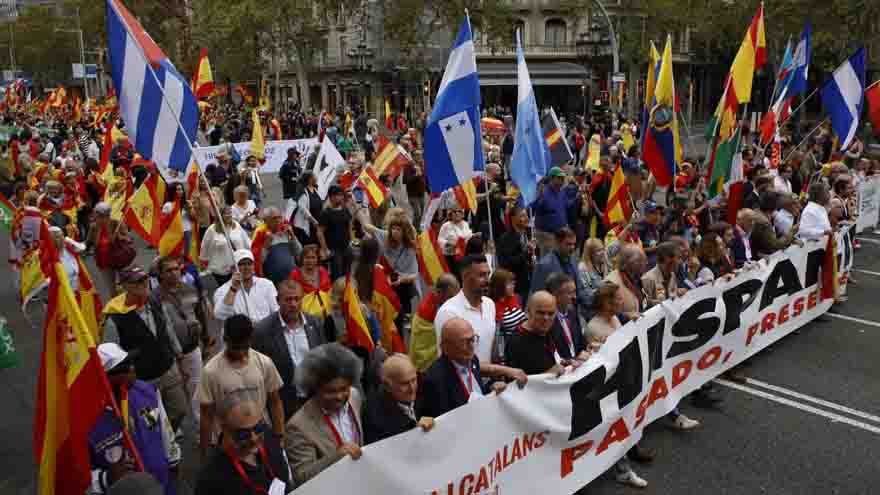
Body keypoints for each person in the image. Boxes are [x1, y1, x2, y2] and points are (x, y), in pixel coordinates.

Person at [102, 267, 189, 432]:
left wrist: (178, 353)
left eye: (144, 279)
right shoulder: (115, 317)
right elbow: (112, 355)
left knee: (180, 410)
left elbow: (167, 327)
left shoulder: (154, 300)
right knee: (150, 423)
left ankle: (169, 433)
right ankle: (160, 444)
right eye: (136, 281)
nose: (143, 284)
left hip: (168, 368)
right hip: (142, 379)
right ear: (124, 286)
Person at [89, 343, 181, 495]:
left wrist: (173, 459)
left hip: (161, 484)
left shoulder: (147, 392)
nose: (132, 368)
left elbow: (164, 429)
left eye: (130, 362)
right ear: (105, 377)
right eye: (124, 367)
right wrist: (106, 478)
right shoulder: (90, 418)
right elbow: (77, 477)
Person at [199, 314, 286, 458]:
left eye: (244, 347)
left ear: (251, 340)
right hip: (230, 445)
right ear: (225, 340)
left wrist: (280, 436)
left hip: (262, 437)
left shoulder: (264, 363)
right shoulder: (210, 372)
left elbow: (275, 401)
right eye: (236, 347)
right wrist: (205, 453)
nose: (240, 352)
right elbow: (206, 416)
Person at [434, 255, 527, 384]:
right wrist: (504, 370)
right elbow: (457, 362)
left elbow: (492, 348)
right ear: (466, 277)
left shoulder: (489, 304)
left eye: (488, 274)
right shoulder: (448, 312)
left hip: (488, 385)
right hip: (461, 388)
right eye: (481, 275)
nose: (487, 280)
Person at [285, 343, 365, 484]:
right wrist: (337, 457)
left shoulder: (354, 396)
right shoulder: (297, 426)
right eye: (330, 391)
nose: (340, 396)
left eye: (343, 388)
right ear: (314, 389)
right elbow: (302, 478)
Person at [195, 390, 293, 495]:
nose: (254, 438)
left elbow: (285, 480)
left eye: (258, 427)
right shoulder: (211, 478)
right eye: (243, 433)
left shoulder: (270, 440)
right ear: (223, 428)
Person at [151, 256, 211, 427]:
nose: (173, 273)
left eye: (176, 269)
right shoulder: (154, 298)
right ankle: (173, 428)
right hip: (169, 356)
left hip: (193, 349)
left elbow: (200, 315)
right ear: (160, 275)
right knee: (174, 394)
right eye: (168, 270)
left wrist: (206, 340)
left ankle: (201, 426)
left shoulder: (190, 290)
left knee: (197, 389)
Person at [252, 280, 326, 420]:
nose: (293, 304)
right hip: (284, 404)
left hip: (314, 398)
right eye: (288, 299)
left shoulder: (315, 323)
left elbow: (323, 359)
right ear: (278, 300)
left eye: (297, 299)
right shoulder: (263, 331)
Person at [417, 318, 509, 419]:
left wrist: (491, 388)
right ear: (446, 347)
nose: (471, 346)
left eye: (472, 339)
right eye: (464, 342)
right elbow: (442, 421)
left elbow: (475, 394)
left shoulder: (472, 360)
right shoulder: (435, 379)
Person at [363, 354, 435, 445]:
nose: (412, 388)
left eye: (414, 380)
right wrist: (413, 432)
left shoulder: (426, 388)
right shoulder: (373, 414)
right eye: (404, 384)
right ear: (387, 386)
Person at [531, 227, 590, 317]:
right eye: (568, 244)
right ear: (557, 243)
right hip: (552, 315)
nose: (572, 248)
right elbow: (538, 295)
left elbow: (579, 289)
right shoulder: (544, 265)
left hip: (573, 313)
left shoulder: (573, 260)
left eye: (574, 244)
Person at [506, 291, 568, 376]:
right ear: (528, 312)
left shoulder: (548, 330)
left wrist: (569, 362)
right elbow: (518, 383)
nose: (546, 318)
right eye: (541, 313)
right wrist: (548, 374)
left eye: (551, 313)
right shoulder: (517, 342)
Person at [409, 274, 460, 373]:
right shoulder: (431, 309)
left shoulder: (438, 300)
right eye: (450, 296)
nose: (454, 300)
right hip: (426, 361)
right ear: (439, 292)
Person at [214, 249, 279, 324]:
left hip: (265, 331)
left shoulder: (267, 285)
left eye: (249, 263)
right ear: (233, 269)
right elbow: (220, 315)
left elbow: (276, 311)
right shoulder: (222, 290)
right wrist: (233, 289)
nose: (246, 267)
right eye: (241, 264)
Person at [200, 206, 253, 287]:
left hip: (236, 269)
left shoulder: (237, 226)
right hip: (219, 272)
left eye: (230, 213)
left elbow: (247, 243)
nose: (229, 215)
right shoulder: (212, 229)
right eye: (226, 213)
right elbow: (204, 247)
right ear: (220, 215)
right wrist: (203, 263)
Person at [545, 273, 590, 362]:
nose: (574, 296)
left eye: (574, 292)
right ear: (555, 295)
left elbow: (581, 343)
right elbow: (551, 357)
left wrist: (588, 348)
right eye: (570, 293)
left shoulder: (572, 312)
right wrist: (572, 360)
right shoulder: (546, 321)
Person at [533, 167, 577, 255]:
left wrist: (577, 197)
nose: (562, 180)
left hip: (560, 234)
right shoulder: (543, 192)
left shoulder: (561, 192)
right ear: (552, 178)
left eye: (563, 178)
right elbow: (535, 207)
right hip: (546, 235)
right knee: (548, 261)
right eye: (559, 178)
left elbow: (567, 205)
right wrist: (539, 197)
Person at [496, 206, 535, 304]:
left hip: (527, 282)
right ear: (513, 218)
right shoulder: (505, 239)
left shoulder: (528, 234)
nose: (526, 218)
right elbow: (505, 263)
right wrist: (526, 252)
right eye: (522, 216)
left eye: (526, 215)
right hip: (515, 285)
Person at [489, 269, 527, 364]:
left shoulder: (516, 298)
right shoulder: (492, 307)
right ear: (500, 287)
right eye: (509, 284)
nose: (513, 286)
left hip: (525, 343)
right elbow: (497, 338)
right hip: (511, 351)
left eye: (513, 283)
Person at [317, 185, 353, 280]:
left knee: (348, 274)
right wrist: (325, 249)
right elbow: (320, 232)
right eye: (337, 195)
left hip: (346, 247)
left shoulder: (345, 210)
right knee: (338, 276)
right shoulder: (326, 213)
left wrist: (351, 241)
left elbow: (349, 225)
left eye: (341, 195)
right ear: (331, 197)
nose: (340, 197)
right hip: (334, 250)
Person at [288, 244, 332, 321]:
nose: (310, 261)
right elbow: (292, 296)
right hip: (305, 316)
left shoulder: (323, 271)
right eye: (307, 258)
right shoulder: (295, 274)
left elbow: (329, 292)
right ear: (302, 259)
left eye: (313, 257)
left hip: (326, 315)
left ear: (317, 259)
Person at [751, 192, 798, 258]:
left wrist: (792, 240)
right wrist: (791, 232)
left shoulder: (759, 214)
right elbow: (776, 244)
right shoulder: (764, 222)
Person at [604, 244, 647, 319]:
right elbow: (606, 312)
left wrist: (650, 302)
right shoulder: (611, 282)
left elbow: (640, 298)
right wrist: (626, 315)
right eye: (640, 261)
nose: (645, 263)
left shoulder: (636, 276)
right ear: (630, 263)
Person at [641, 241, 685, 308]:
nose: (680, 262)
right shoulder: (648, 279)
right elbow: (643, 305)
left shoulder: (672, 275)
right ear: (668, 259)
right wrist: (652, 303)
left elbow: (672, 297)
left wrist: (678, 293)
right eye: (678, 258)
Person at [437, 207, 473, 276]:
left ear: (462, 214)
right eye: (454, 212)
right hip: (451, 256)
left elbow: (469, 236)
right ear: (450, 214)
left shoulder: (465, 224)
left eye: (459, 211)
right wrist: (447, 243)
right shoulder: (446, 225)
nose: (457, 213)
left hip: (464, 255)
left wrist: (474, 235)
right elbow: (439, 240)